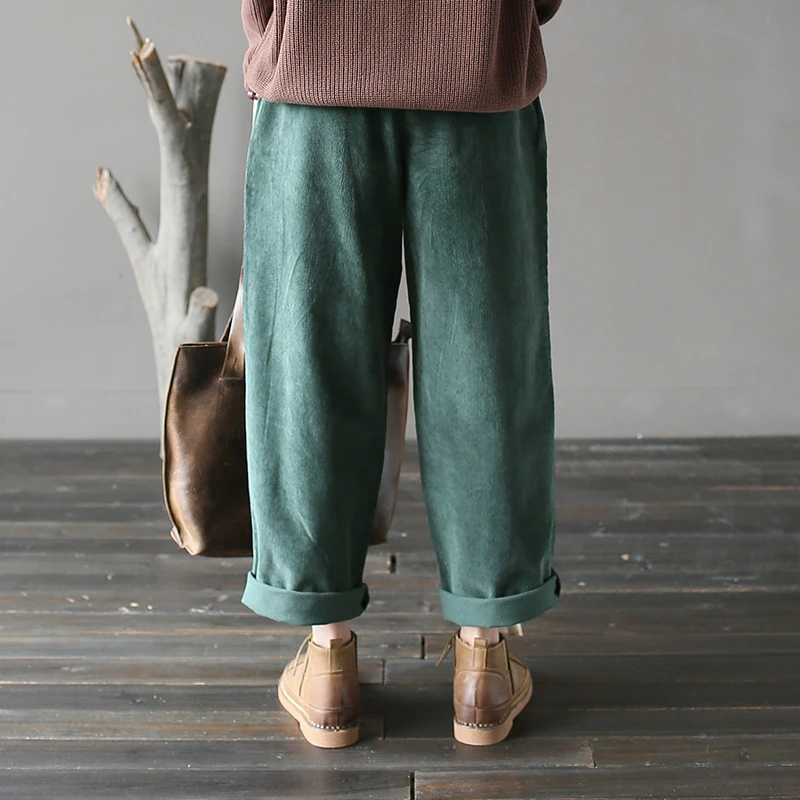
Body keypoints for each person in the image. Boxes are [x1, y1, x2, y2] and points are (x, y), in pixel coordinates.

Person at [238, 0, 564, 748]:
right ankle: (483, 661)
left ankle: (327, 661)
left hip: (316, 69)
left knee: (309, 365)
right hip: (477, 68)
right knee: (488, 369)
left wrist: (277, 35)